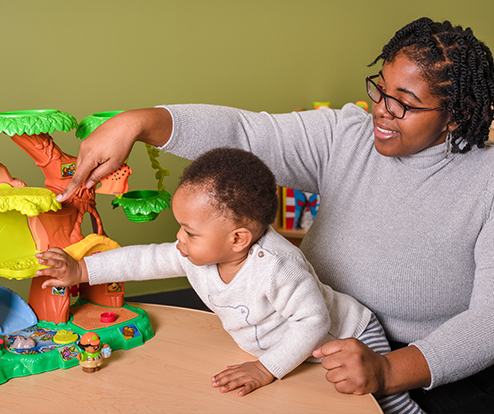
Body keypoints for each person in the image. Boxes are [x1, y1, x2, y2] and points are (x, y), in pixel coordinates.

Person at [55, 17, 494, 413]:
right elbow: (246, 133)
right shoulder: (347, 135)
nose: (381, 109)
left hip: (424, 368)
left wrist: (387, 371)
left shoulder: (487, 183)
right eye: (380, 88)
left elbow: (487, 323)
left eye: (405, 102)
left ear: (457, 117)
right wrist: (138, 122)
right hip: (309, 341)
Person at [38, 148, 420, 413]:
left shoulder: (276, 266)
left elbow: (314, 322)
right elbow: (144, 258)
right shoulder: (200, 252)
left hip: (349, 334)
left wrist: (265, 368)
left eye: (189, 231)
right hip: (292, 348)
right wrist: (81, 271)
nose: (178, 239)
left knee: (385, 402)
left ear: (238, 239)